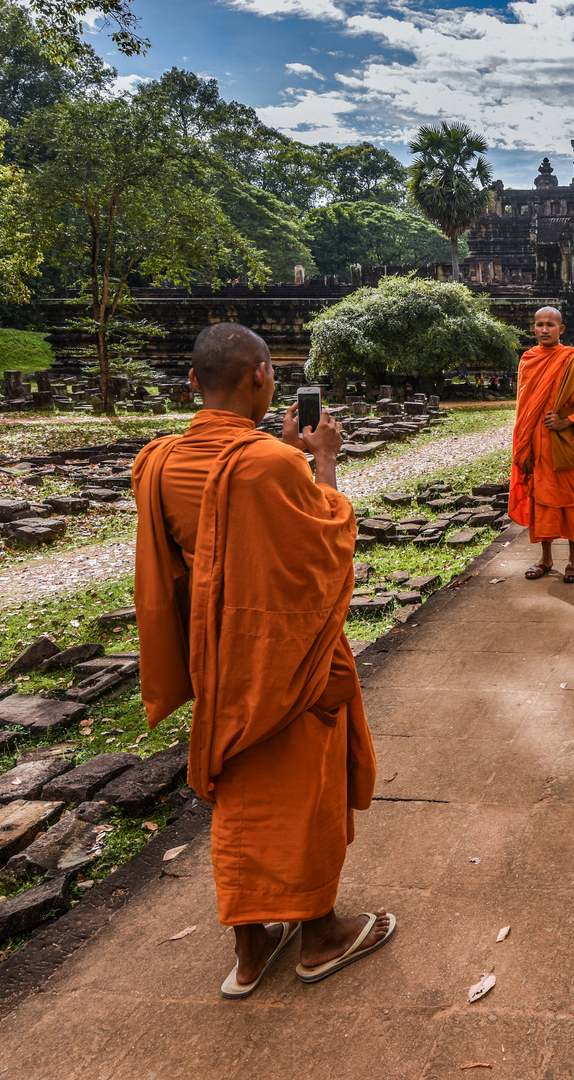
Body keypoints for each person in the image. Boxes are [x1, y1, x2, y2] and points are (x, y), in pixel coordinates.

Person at [131, 323, 393, 1001]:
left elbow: (212, 552)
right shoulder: (273, 466)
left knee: (242, 796)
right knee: (301, 790)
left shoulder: (158, 461)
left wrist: (275, 450)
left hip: (219, 666)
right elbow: (325, 550)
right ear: (262, 376)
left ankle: (251, 947)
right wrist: (323, 461)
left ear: (192, 382)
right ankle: (321, 935)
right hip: (286, 659)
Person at [512, 307, 574, 584]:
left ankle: (573, 561)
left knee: (567, 502)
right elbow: (523, 410)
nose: (544, 329)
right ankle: (545, 559)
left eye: (550, 325)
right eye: (539, 324)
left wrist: (568, 421)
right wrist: (523, 448)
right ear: (534, 328)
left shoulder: (573, 361)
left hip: (561, 446)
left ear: (561, 329)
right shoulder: (528, 360)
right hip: (535, 446)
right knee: (540, 501)